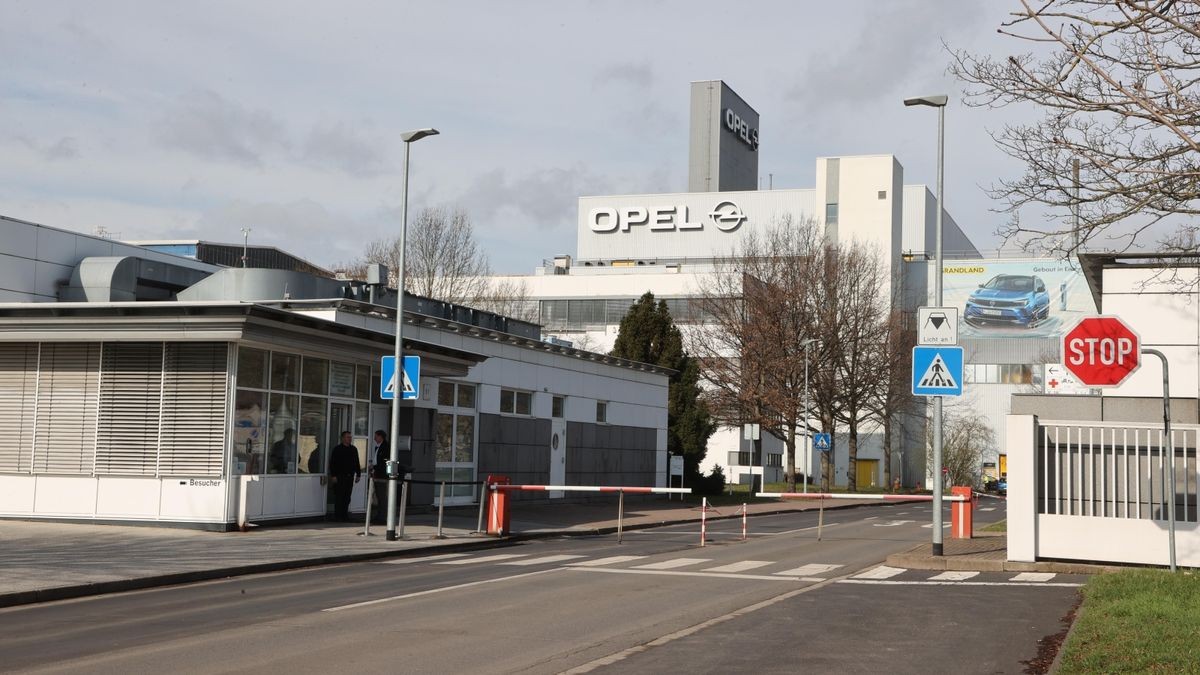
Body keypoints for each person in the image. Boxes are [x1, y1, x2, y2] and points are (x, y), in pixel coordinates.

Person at [329, 431, 361, 521]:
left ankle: (344, 515)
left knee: (347, 497)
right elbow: (332, 463)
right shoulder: (337, 449)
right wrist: (333, 475)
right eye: (347, 437)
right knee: (339, 496)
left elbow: (356, 462)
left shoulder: (353, 449)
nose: (349, 439)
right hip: (339, 476)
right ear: (342, 438)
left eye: (350, 437)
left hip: (349, 476)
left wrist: (358, 474)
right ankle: (338, 516)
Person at [369, 429, 388, 523]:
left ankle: (382, 517)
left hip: (382, 475)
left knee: (382, 496)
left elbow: (383, 463)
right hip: (377, 474)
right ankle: (379, 515)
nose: (374, 438)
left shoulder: (386, 447)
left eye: (376, 436)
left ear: (381, 437)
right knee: (378, 496)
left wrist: (374, 466)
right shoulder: (378, 446)